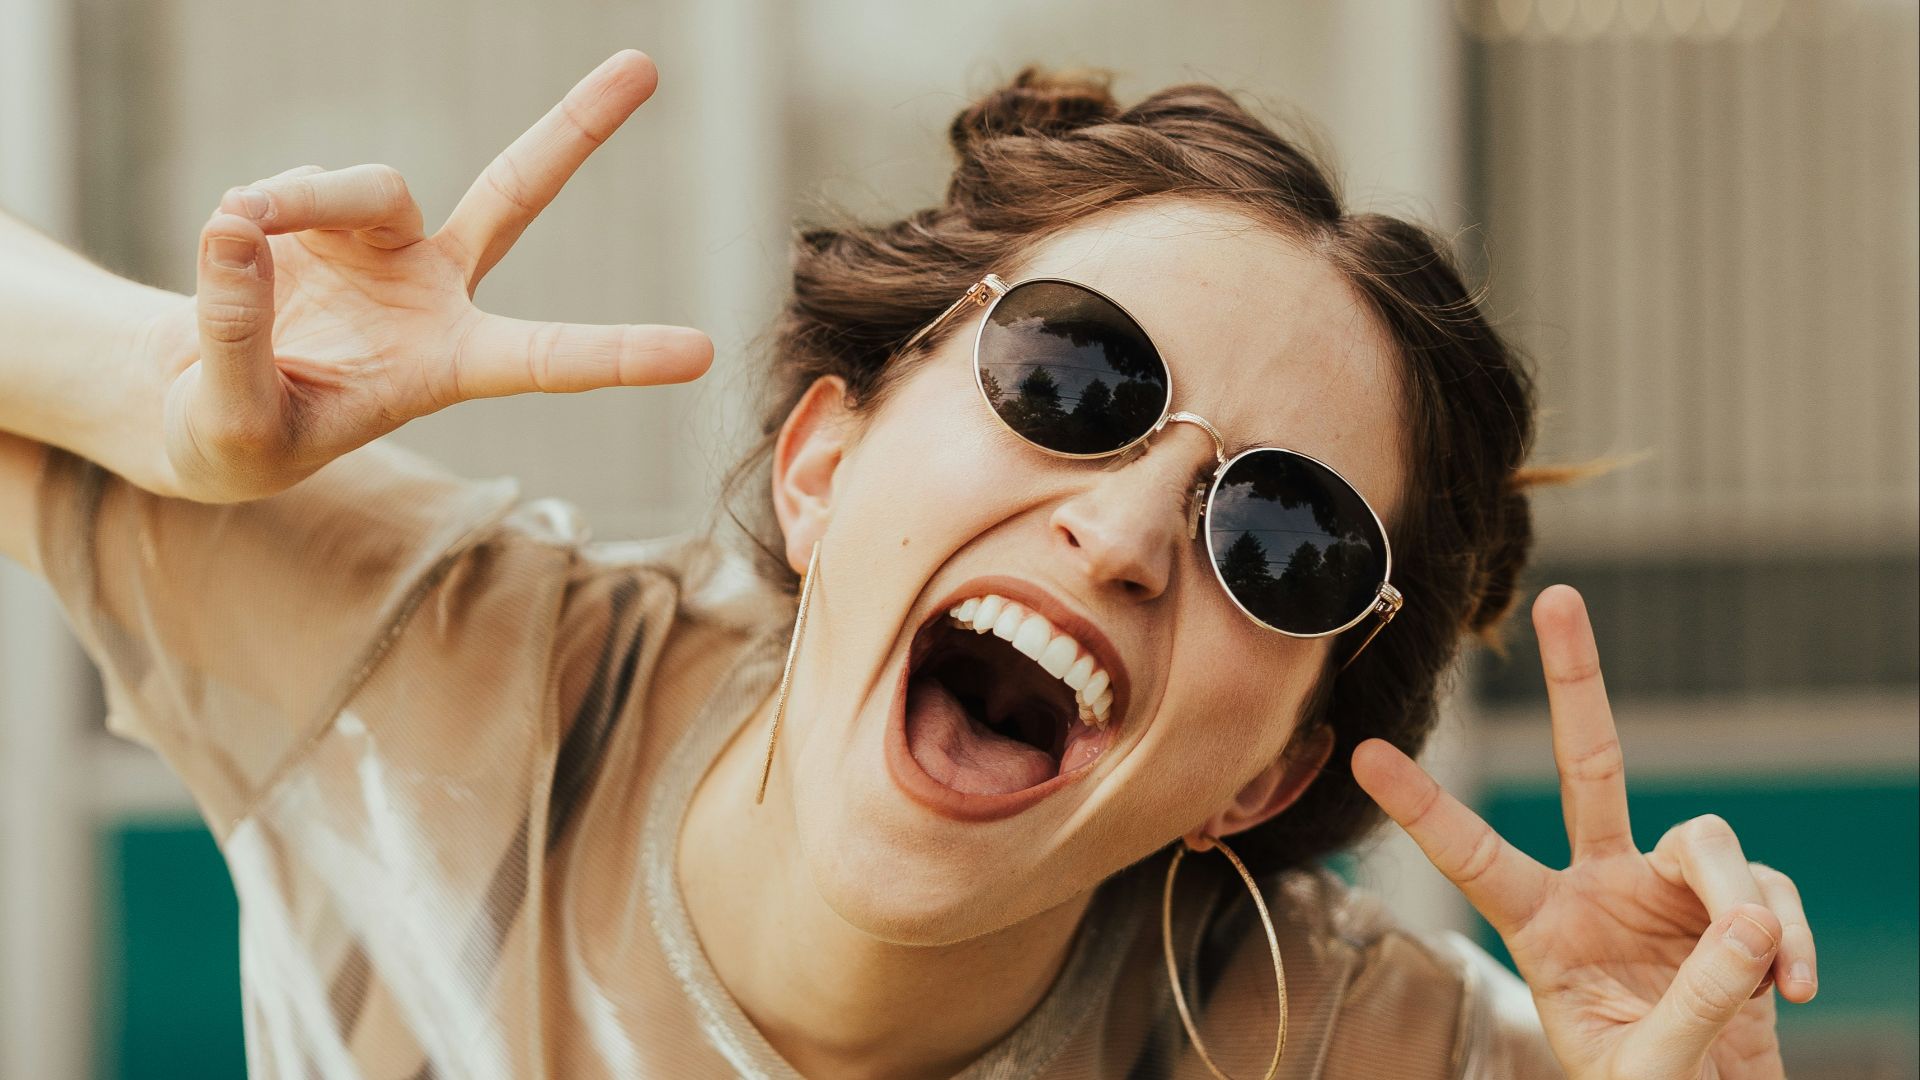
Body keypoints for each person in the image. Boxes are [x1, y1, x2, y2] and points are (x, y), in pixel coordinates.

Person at [0, 50, 1817, 1080]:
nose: (1124, 535)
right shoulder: (444, 667)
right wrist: (160, 396)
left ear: (1264, 777)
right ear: (824, 460)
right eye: (1075, 378)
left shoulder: (1346, 1047)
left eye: (1281, 540)